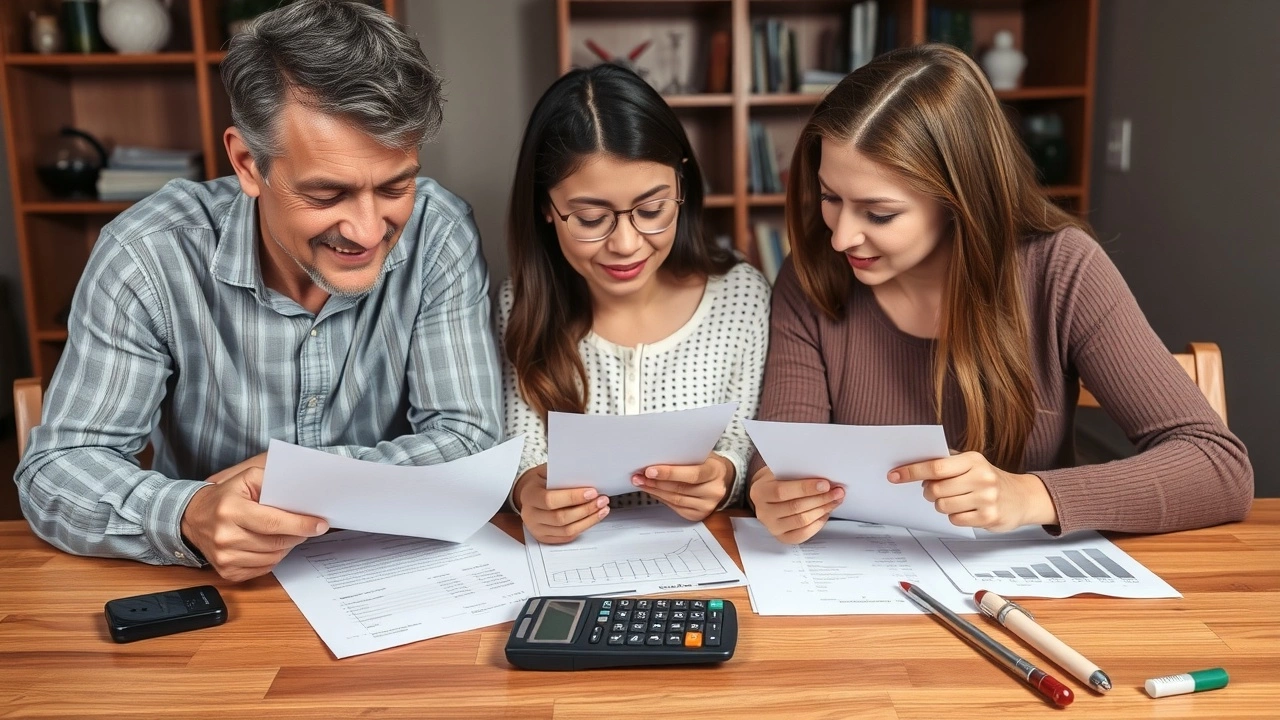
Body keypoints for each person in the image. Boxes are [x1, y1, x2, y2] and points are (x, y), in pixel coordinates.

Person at [14, 0, 502, 581]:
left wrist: (301, 478)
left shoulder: (439, 234)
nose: (369, 231)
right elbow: (57, 470)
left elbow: (468, 439)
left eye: (396, 186)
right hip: (214, 593)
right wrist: (187, 514)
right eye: (327, 195)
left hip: (383, 578)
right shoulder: (148, 254)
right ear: (248, 163)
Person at [749, 44, 1253, 543]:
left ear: (959, 200)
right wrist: (771, 491)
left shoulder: (1060, 268)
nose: (841, 237)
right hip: (860, 593)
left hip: (1028, 594)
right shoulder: (814, 271)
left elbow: (1218, 467)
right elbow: (782, 460)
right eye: (830, 198)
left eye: (879, 214)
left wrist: (1029, 496)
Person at [499, 64, 771, 544]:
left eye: (651, 211)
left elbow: (746, 443)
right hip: (569, 572)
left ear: (681, 186)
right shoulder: (519, 304)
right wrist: (528, 495)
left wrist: (724, 476)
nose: (626, 244)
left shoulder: (741, 295)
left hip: (703, 566)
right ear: (546, 208)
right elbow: (522, 454)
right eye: (589, 218)